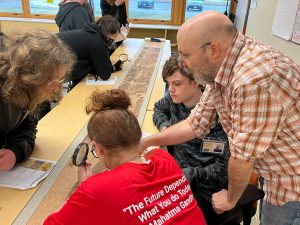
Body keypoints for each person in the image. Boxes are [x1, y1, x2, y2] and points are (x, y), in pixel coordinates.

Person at [142, 11, 300, 225]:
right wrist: (147, 142)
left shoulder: (251, 80)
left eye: (186, 55)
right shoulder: (222, 66)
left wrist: (230, 198)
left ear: (213, 49)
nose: (183, 62)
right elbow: (195, 124)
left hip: (291, 180)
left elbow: (242, 159)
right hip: (272, 170)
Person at [43, 89, 206, 225]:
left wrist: (83, 187)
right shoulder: (163, 157)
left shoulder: (96, 189)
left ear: (99, 148)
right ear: (137, 136)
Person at [153, 56, 230, 224]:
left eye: (177, 84)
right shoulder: (174, 100)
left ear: (196, 82)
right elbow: (158, 108)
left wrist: (189, 174)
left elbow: (223, 169)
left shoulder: (217, 118)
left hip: (203, 184)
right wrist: (165, 127)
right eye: (168, 83)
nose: (170, 89)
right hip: (177, 172)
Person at [0, 29, 75, 171]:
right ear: (29, 76)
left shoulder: (30, 91)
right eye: (51, 80)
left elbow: (27, 125)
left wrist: (15, 152)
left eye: (59, 79)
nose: (56, 88)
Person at [57, 15, 123, 89]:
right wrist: (113, 68)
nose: (115, 38)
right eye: (116, 36)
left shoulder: (90, 31)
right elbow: (105, 75)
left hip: (52, 44)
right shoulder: (98, 43)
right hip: (54, 56)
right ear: (108, 34)